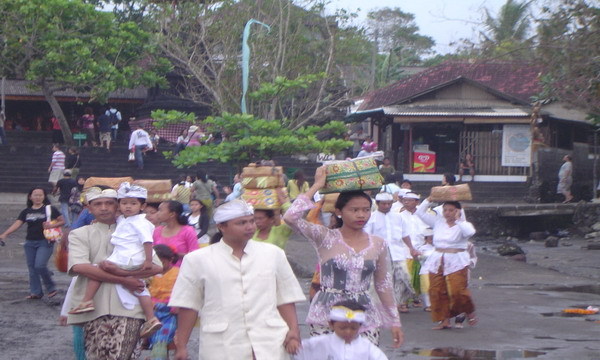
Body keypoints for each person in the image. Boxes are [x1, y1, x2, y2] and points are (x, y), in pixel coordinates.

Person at [169, 199, 306, 360]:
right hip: (222, 344)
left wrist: (294, 330)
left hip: (269, 339)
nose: (249, 227)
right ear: (221, 226)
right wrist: (182, 346)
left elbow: (285, 297)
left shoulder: (273, 254)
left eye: (251, 221)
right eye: (241, 223)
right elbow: (188, 305)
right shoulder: (197, 259)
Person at [283, 166, 403, 347]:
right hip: (327, 313)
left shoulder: (378, 243)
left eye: (366, 210)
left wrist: (394, 322)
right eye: (354, 210)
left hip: (364, 313)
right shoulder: (325, 237)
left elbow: (383, 285)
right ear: (339, 211)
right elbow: (290, 217)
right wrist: (316, 185)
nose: (361, 215)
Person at [67, 186, 163, 360]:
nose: (104, 208)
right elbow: (79, 267)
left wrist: (118, 273)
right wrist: (124, 279)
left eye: (109, 203)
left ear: (116, 206)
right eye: (98, 204)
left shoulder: (133, 228)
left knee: (120, 355)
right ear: (89, 208)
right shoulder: (79, 234)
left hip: (129, 307)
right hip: (94, 308)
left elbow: (157, 267)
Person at [415, 196, 477, 330]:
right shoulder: (438, 222)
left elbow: (470, 232)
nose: (447, 213)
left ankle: (469, 311)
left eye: (451, 210)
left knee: (457, 291)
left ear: (458, 211)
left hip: (456, 259)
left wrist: (458, 219)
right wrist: (429, 200)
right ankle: (444, 320)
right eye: (445, 210)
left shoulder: (463, 225)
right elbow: (419, 213)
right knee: (436, 290)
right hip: (438, 258)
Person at [0, 187, 64, 299]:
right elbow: (17, 224)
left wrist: (51, 225)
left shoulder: (50, 209)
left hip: (45, 241)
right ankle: (36, 292)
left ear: (44, 197)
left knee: (39, 265)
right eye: (35, 195)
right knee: (32, 268)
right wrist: (5, 234)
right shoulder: (26, 211)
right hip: (30, 242)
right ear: (30, 197)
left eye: (40, 195)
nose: (38, 197)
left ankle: (51, 287)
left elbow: (63, 220)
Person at [364, 192, 414, 314]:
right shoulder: (371, 218)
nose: (386, 206)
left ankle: (397, 302)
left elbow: (405, 234)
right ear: (377, 204)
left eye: (389, 204)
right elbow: (366, 237)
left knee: (404, 277)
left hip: (397, 252)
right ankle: (377, 306)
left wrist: (412, 248)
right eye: (384, 204)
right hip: (379, 254)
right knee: (379, 280)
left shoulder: (398, 217)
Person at [294, 300, 388, 360]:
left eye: (353, 328)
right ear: (331, 324)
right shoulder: (321, 343)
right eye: (343, 328)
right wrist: (293, 343)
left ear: (360, 327)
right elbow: (299, 350)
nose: (348, 331)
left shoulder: (367, 347)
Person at [146, 244, 180, 360]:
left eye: (162, 262)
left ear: (170, 260)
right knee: (154, 336)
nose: (159, 265)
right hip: (153, 310)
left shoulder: (178, 273)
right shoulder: (150, 273)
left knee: (162, 338)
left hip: (170, 311)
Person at [398, 192, 430, 311]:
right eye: (405, 200)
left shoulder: (423, 216)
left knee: (422, 278)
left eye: (409, 200)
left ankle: (427, 303)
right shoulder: (400, 216)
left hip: (422, 251)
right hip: (405, 251)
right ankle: (403, 303)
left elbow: (429, 232)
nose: (406, 202)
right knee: (405, 278)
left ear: (416, 202)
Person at [153, 200, 198, 267]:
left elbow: (195, 255)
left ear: (172, 214)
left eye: (160, 210)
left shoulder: (188, 231)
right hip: (160, 273)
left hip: (182, 271)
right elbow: (153, 252)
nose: (157, 213)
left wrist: (175, 254)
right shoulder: (157, 231)